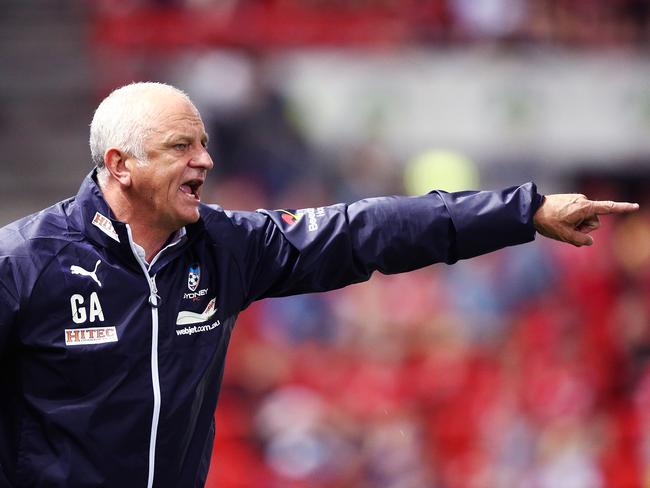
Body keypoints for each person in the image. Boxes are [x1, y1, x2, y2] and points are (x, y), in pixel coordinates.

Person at [0, 82, 638, 488]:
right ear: (120, 165)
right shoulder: (26, 262)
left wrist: (520, 212)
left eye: (203, 143)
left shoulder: (226, 247)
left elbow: (362, 232)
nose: (204, 160)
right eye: (179, 146)